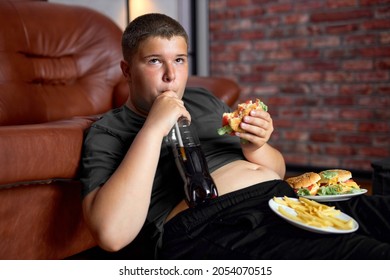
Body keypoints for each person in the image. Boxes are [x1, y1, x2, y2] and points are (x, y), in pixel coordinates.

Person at [80, 13, 390, 259]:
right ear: (126, 70)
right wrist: (153, 127)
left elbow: (277, 170)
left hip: (285, 199)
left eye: (179, 60)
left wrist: (255, 145)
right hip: (217, 223)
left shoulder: (204, 99)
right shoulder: (109, 130)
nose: (171, 76)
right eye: (154, 61)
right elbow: (112, 234)